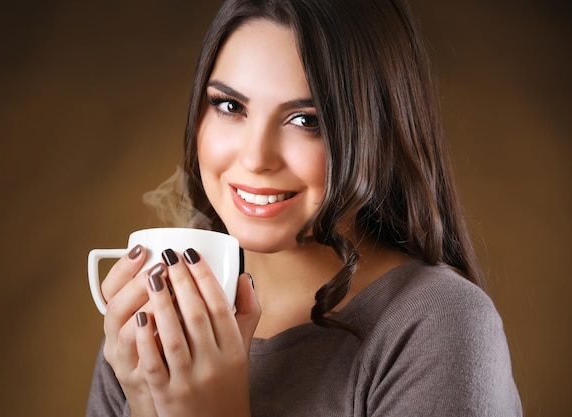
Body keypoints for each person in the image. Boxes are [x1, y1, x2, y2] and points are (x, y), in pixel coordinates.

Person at [86, 0, 522, 416]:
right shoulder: (152, 322)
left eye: (306, 120)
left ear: (379, 130)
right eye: (229, 106)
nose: (257, 157)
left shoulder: (436, 326)